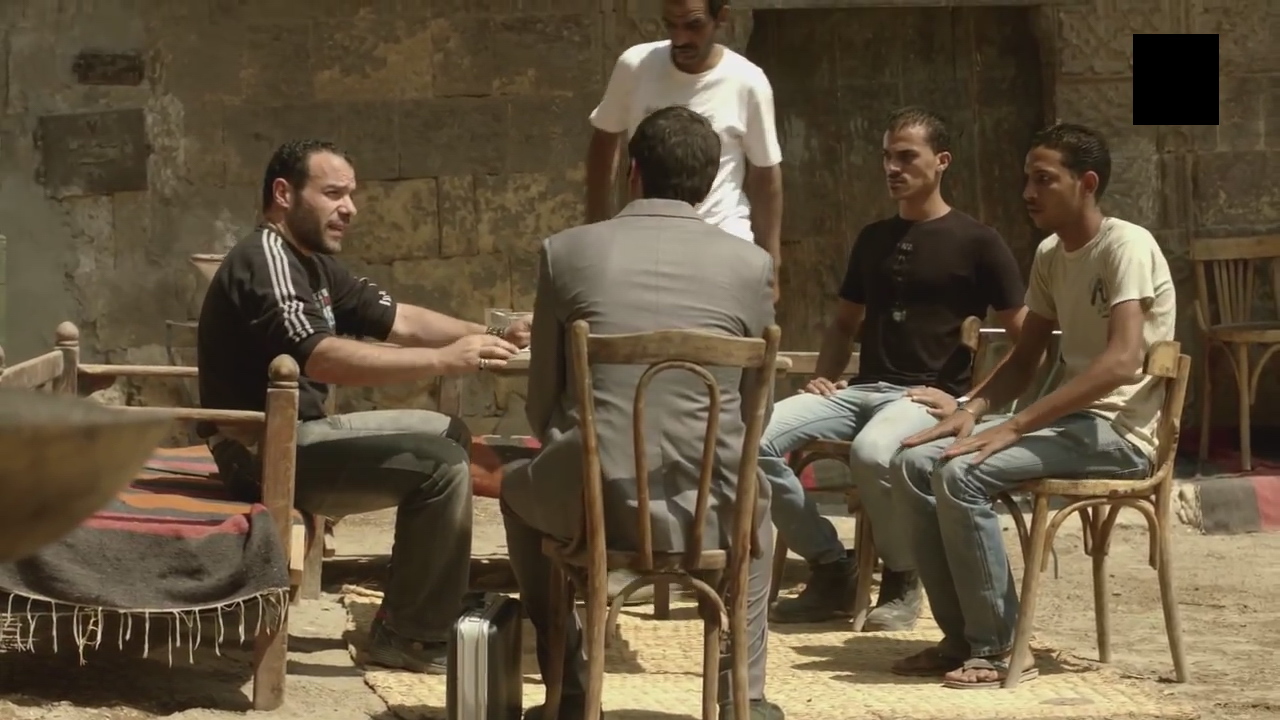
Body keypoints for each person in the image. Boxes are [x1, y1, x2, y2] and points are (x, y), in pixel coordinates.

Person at [197, 139, 528, 674]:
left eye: (351, 194)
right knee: (441, 467)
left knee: (449, 433)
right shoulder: (267, 260)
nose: (349, 208)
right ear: (283, 194)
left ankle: (424, 602)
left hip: (298, 435)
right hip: (259, 451)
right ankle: (409, 636)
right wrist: (443, 360)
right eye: (333, 193)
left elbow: (401, 319)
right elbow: (321, 357)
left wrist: (490, 334)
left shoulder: (312, 265)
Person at [502, 106, 782, 720]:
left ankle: (568, 683)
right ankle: (746, 695)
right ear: (710, 182)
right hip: (708, 510)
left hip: (593, 505)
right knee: (757, 510)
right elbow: (751, 410)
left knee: (515, 493)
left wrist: (580, 456)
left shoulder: (565, 252)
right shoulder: (752, 265)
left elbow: (543, 398)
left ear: (632, 171)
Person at [888, 123, 1176, 688]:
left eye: (1044, 180)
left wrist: (1016, 425)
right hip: (1071, 425)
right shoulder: (1049, 254)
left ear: (1086, 184)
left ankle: (996, 646)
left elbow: (1122, 362)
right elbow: (1027, 358)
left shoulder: (1126, 245)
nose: (1028, 192)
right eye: (1027, 179)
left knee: (963, 474)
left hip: (1123, 435)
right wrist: (972, 408)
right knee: (912, 462)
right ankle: (960, 638)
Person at [762, 107, 1027, 628]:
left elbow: (1026, 340)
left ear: (941, 161)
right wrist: (823, 376)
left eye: (906, 156)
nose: (892, 167)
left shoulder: (979, 241)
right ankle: (830, 566)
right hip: (859, 390)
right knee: (751, 437)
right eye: (887, 156)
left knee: (872, 451)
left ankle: (903, 576)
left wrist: (968, 403)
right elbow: (843, 323)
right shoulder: (873, 238)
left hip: (922, 399)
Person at [585, 0, 783, 288]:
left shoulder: (748, 82)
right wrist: (596, 228)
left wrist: (772, 262)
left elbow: (765, 174)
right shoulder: (636, 67)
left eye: (693, 26)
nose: (680, 39)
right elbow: (605, 141)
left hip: (723, 242)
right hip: (646, 243)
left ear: (721, 17)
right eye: (671, 25)